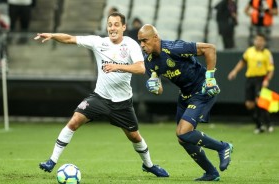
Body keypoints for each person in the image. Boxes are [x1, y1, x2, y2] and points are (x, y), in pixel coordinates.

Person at [34, 12, 169, 177]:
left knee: (134, 136)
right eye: (110, 24)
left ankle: (149, 165)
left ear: (123, 27)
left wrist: (116, 66)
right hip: (99, 98)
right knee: (74, 121)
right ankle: (52, 161)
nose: (112, 28)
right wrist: (53, 35)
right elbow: (70, 38)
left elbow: (141, 68)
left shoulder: (131, 45)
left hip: (122, 103)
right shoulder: (98, 42)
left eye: (116, 24)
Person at [137, 24, 233, 181]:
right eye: (140, 41)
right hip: (185, 95)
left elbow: (210, 49)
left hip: (202, 89)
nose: (142, 45)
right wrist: (153, 86)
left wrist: (210, 78)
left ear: (155, 38)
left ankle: (223, 147)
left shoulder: (174, 47)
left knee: (183, 132)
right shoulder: (148, 61)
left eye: (144, 41)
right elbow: (159, 89)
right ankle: (211, 173)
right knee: (183, 138)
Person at [228, 33, 275, 134]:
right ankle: (259, 125)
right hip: (250, 79)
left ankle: (268, 123)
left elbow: (271, 69)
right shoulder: (249, 51)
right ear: (254, 41)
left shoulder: (267, 53)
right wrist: (234, 71)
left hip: (261, 79)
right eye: (257, 40)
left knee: (260, 102)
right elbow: (242, 62)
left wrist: (267, 80)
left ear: (264, 42)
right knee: (249, 104)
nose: (259, 42)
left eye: (261, 40)